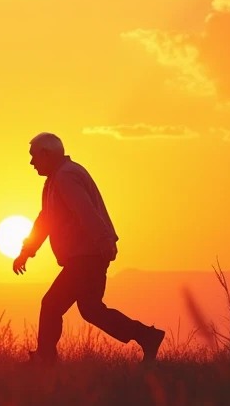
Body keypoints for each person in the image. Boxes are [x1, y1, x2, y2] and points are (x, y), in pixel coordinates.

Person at [13, 132, 165, 364]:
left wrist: (103, 241)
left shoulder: (66, 177)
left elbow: (85, 211)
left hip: (86, 256)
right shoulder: (56, 179)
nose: (31, 163)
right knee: (92, 310)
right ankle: (147, 336)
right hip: (86, 255)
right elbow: (46, 219)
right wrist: (27, 250)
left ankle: (45, 359)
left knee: (52, 304)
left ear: (46, 154)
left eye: (34, 156)